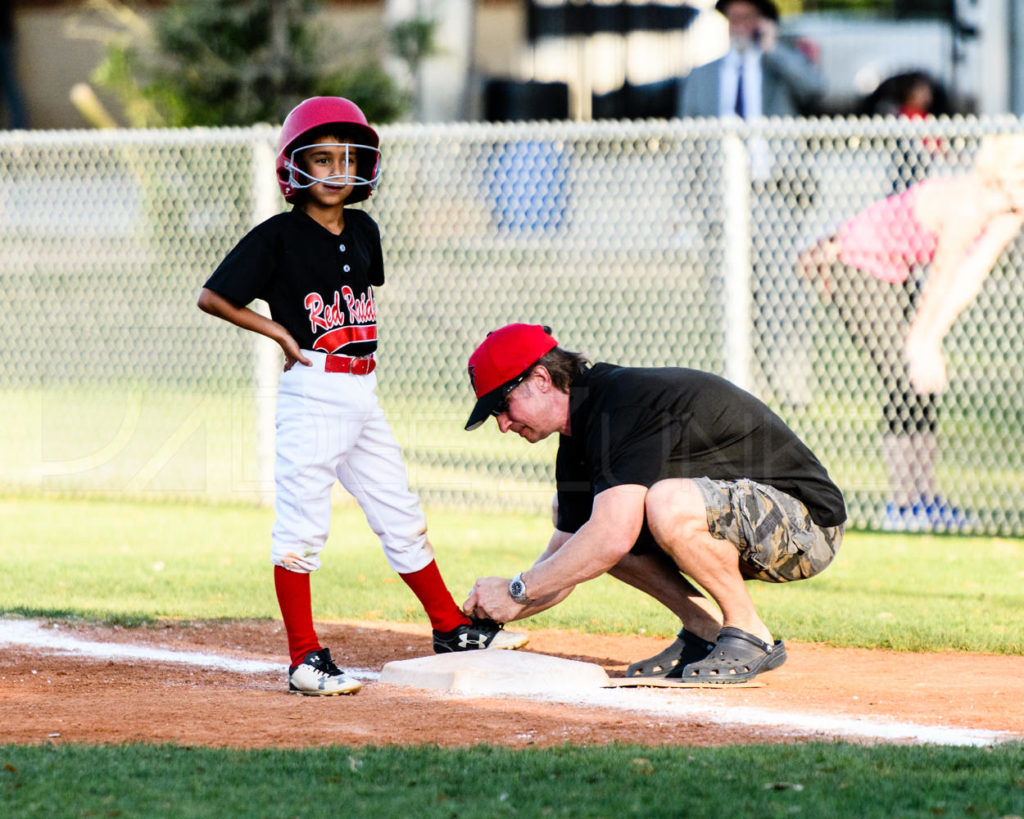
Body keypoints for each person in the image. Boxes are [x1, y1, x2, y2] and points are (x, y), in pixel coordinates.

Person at [197, 97, 525, 696]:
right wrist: (276, 331)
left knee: (399, 512)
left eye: (346, 158)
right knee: (302, 527)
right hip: (315, 389)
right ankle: (303, 658)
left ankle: (450, 627)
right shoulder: (277, 236)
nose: (335, 171)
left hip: (362, 391)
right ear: (295, 168)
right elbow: (213, 296)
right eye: (320, 159)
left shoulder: (366, 230)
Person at [460, 323, 846, 683]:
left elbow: (610, 538)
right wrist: (497, 614)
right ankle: (707, 630)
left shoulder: (623, 403)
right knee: (585, 521)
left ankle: (749, 633)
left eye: (503, 405)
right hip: (757, 521)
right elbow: (570, 556)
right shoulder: (581, 433)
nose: (503, 424)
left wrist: (515, 591)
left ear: (541, 380)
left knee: (660, 506)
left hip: (807, 525)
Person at [797, 134, 1024, 531]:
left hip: (894, 273)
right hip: (856, 265)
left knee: (924, 381)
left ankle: (926, 497)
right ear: (1007, 177)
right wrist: (921, 342)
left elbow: (968, 279)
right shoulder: (968, 204)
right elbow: (942, 275)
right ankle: (901, 504)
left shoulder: (1008, 213)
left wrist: (931, 340)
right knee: (904, 378)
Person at [678, 0, 824, 120]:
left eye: (746, 18)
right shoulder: (700, 76)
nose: (740, 26)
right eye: (734, 18)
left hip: (770, 154)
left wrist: (773, 49)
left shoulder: (779, 69)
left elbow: (815, 88)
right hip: (721, 153)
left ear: (761, 22)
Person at [0, 0, 28, 129]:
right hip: (6, 38)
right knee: (11, 89)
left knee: (10, 89)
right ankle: (20, 133)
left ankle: (20, 133)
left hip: (4, 38)